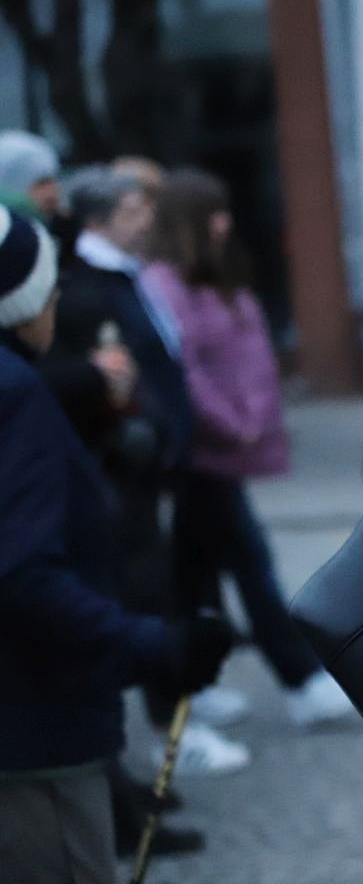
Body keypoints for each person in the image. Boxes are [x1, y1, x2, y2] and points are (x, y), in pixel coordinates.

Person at [0, 205, 233, 883]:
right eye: (47, 286)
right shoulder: (14, 396)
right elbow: (20, 576)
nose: (58, 298)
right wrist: (154, 645)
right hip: (30, 737)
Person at [39, 166, 251, 780]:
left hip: (155, 457)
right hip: (119, 468)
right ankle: (169, 734)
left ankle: (183, 707)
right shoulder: (83, 287)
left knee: (174, 582)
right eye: (134, 209)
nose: (147, 219)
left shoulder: (127, 275)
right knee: (145, 591)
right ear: (100, 219)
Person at [142, 169, 354, 729]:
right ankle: (299, 677)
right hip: (201, 453)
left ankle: (195, 683)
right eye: (212, 213)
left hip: (227, 449)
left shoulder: (218, 276)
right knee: (247, 563)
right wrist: (230, 420)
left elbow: (252, 354)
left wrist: (257, 413)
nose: (224, 223)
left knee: (195, 573)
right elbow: (181, 368)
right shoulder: (163, 282)